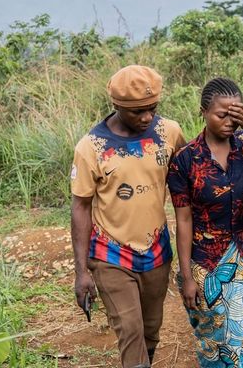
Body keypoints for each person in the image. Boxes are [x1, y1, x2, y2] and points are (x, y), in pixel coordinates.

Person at [70, 65, 185, 368]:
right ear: (117, 106)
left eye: (152, 109)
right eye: (137, 112)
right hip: (111, 253)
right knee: (130, 330)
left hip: (157, 249)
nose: (147, 117)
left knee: (150, 330)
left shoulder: (168, 132)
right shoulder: (91, 148)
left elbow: (188, 180)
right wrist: (81, 271)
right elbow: (80, 206)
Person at [167, 77, 243, 367]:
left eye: (235, 115)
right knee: (212, 342)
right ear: (203, 112)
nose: (229, 122)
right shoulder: (185, 160)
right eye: (221, 115)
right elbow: (183, 220)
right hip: (203, 264)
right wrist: (187, 277)